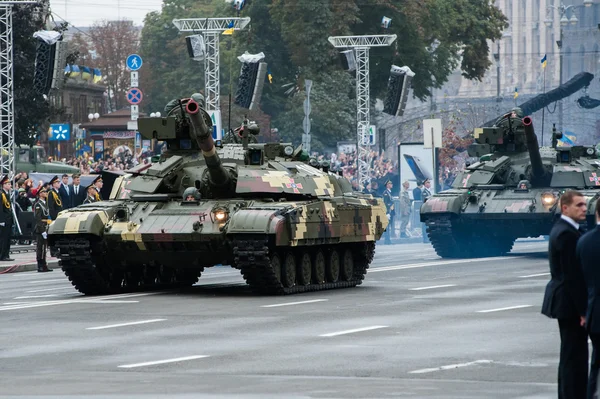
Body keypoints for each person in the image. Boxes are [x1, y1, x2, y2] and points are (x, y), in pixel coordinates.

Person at [542, 190, 589, 399]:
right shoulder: (567, 234)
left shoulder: (563, 229)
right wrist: (583, 310)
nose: (584, 209)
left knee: (571, 355)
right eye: (579, 205)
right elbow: (573, 277)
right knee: (574, 357)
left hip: (564, 301)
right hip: (569, 304)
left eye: (585, 205)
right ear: (565, 208)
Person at [576, 199, 600, 399]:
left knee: (596, 362)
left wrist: (583, 311)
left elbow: (578, 280)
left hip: (594, 313)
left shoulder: (583, 241)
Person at [33, 186, 52, 272]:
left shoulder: (45, 203)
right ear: (40, 194)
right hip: (41, 228)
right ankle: (40, 265)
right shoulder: (38, 204)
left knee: (45, 248)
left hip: (46, 226)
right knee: (40, 247)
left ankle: (44, 264)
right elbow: (38, 218)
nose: (46, 193)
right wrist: (42, 231)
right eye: (44, 192)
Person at [0, 175, 14, 261]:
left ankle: (6, 254)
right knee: (3, 239)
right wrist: (1, 220)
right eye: (8, 184)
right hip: (4, 220)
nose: (10, 185)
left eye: (10, 183)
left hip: (8, 220)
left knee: (8, 238)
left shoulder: (6, 194)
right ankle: (3, 255)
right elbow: (0, 208)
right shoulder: (1, 194)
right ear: (4, 185)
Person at [382, 180, 395, 244]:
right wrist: (387, 213)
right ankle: (387, 240)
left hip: (391, 211)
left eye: (391, 183)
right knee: (387, 226)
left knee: (389, 226)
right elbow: (386, 203)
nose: (391, 184)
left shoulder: (389, 192)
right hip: (388, 211)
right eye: (390, 183)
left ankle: (388, 239)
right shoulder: (386, 193)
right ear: (387, 185)